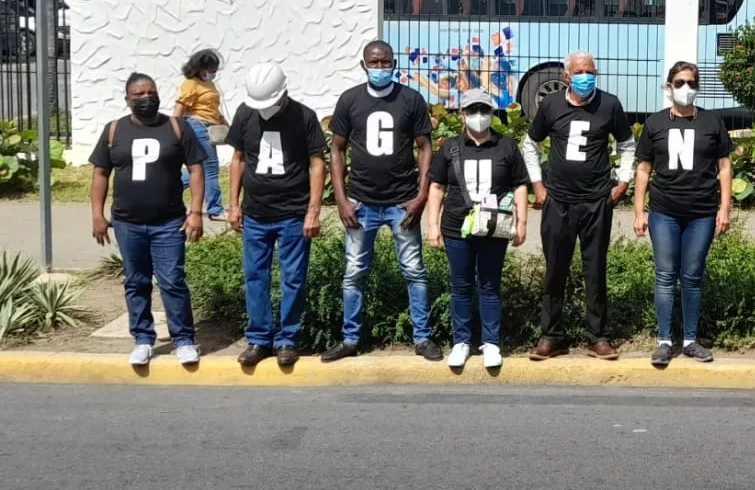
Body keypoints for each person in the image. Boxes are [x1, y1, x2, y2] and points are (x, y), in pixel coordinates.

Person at [324, 40, 441, 363]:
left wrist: (420, 196)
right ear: (364, 65)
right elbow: (336, 148)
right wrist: (341, 197)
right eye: (374, 63)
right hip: (361, 202)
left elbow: (425, 147)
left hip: (402, 203)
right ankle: (350, 339)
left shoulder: (410, 99)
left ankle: (422, 337)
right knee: (354, 272)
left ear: (394, 63)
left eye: (385, 62)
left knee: (414, 270)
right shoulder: (350, 100)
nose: (380, 67)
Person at [88, 73, 207, 367]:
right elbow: (100, 174)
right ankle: (143, 338)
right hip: (127, 223)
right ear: (127, 100)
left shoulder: (177, 128)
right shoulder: (114, 130)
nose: (146, 98)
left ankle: (183, 340)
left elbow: (196, 170)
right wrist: (97, 216)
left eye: (151, 92)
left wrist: (195, 213)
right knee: (136, 281)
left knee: (173, 282)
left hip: (169, 222)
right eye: (139, 94)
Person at [524, 50, 634, 360]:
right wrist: (537, 185)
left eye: (591, 72)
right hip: (558, 200)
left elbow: (627, 146)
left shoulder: (609, 104)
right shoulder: (551, 104)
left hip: (596, 201)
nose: (587, 76)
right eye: (581, 71)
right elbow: (530, 146)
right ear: (567, 76)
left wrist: (622, 183)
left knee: (595, 269)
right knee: (555, 268)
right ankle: (551, 335)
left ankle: (597, 336)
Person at [225, 63, 327, 367]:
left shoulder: (304, 117)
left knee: (293, 278)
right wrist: (233, 205)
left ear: (283, 93)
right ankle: (258, 339)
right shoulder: (245, 113)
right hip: (256, 213)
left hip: (293, 214)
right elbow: (238, 160)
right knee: (255, 277)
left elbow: (316, 164)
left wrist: (313, 211)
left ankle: (287, 339)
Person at [633, 62, 734, 367]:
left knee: (692, 277)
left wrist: (724, 208)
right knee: (665, 275)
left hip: (702, 212)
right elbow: (643, 169)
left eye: (690, 82)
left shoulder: (711, 122)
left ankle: (690, 340)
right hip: (664, 211)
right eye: (679, 82)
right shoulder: (654, 124)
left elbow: (725, 166)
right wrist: (639, 210)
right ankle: (664, 340)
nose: (685, 88)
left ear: (697, 86)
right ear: (669, 86)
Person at [424, 89, 530, 370]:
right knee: (460, 286)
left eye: (484, 109)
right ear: (462, 114)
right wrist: (432, 225)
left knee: (489, 285)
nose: (478, 116)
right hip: (456, 227)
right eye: (472, 110)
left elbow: (520, 184)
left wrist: (522, 222)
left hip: (494, 227)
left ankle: (491, 342)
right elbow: (436, 187)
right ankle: (461, 341)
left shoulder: (506, 146)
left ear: (492, 113)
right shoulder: (450, 147)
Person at [172, 48, 226, 220]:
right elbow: (179, 109)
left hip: (210, 126)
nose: (213, 73)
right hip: (198, 126)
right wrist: (173, 131)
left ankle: (167, 188)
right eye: (211, 70)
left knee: (201, 170)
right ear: (200, 68)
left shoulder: (208, 84)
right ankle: (215, 209)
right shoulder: (191, 84)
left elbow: (212, 108)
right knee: (211, 168)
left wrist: (225, 123)